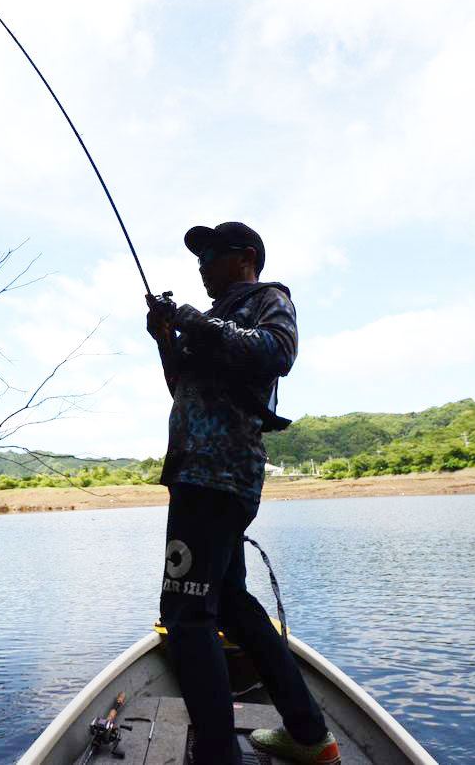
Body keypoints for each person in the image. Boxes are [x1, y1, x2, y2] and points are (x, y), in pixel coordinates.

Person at [145, 222, 340, 765]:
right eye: (198, 257)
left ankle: (216, 756)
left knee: (185, 616)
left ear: (245, 257)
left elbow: (277, 353)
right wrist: (167, 339)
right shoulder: (213, 321)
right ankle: (308, 734)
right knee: (229, 603)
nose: (201, 266)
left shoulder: (267, 299)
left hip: (216, 476)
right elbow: (184, 387)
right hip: (201, 475)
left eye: (210, 255)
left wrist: (193, 321)